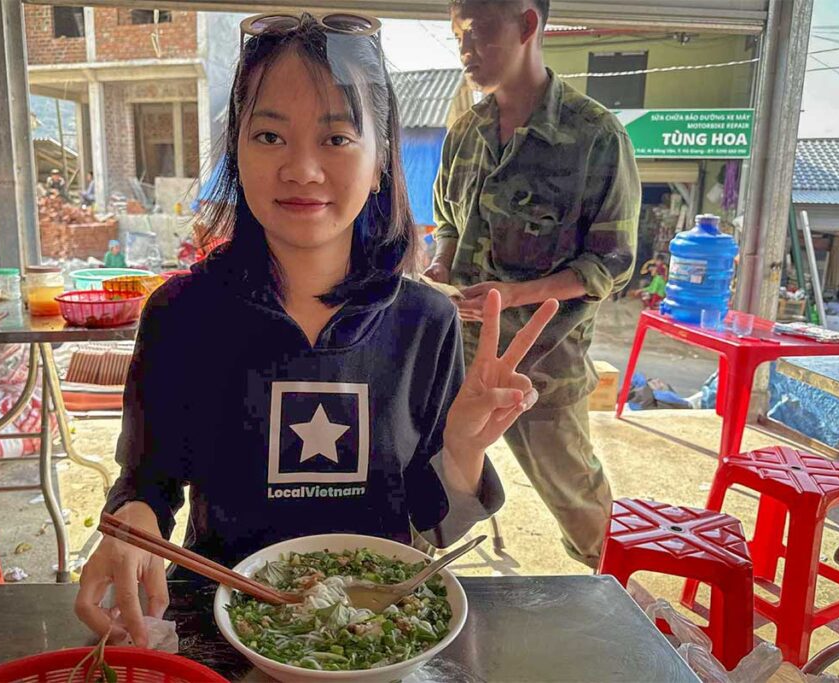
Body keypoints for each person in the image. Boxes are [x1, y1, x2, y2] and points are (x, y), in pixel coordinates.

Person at [75, 12, 558, 647]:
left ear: (382, 156)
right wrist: (133, 523)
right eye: (270, 136)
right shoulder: (180, 314)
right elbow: (148, 478)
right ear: (236, 148)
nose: (302, 168)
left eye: (336, 139)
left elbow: (434, 528)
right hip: (225, 622)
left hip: (378, 632)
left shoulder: (425, 322)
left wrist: (463, 448)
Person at [425, 0, 640, 568]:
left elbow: (610, 263)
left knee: (576, 500)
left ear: (526, 25)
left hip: (540, 361)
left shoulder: (595, 136)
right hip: (457, 354)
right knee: (432, 486)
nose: (465, 50)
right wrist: (443, 264)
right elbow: (449, 221)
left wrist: (514, 294)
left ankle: (622, 597)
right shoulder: (466, 132)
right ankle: (410, 598)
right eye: (458, 37)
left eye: (478, 34)